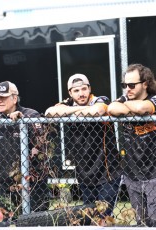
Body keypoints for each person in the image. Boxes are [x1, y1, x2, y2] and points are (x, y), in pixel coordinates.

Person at [45, 74, 120, 218]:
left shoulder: (100, 99)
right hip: (84, 176)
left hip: (108, 173)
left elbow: (96, 111)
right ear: (70, 93)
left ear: (89, 89)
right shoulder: (67, 103)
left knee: (103, 218)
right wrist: (76, 111)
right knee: (89, 219)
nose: (81, 94)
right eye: (76, 91)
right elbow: (50, 112)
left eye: (84, 89)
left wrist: (68, 113)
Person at [0, 81, 50, 218]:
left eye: (3, 97)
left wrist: (22, 121)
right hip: (6, 185)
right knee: (9, 224)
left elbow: (41, 145)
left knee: (36, 223)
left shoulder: (31, 114)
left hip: (32, 184)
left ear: (15, 98)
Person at [107, 64, 156, 226]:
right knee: (141, 223)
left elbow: (143, 108)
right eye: (124, 85)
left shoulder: (154, 98)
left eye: (131, 85)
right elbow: (112, 108)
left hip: (154, 175)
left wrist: (126, 108)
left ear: (145, 83)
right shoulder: (125, 99)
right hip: (132, 174)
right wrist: (131, 108)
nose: (127, 89)